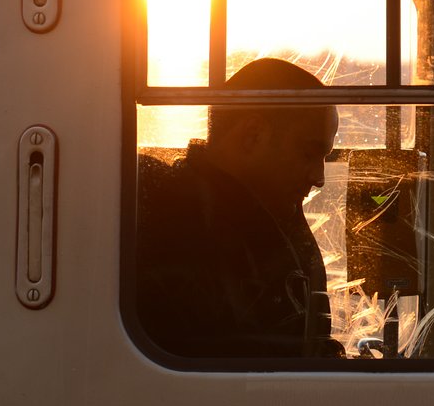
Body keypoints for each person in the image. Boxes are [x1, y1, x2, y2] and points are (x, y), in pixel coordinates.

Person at [136, 58, 344, 358]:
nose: (319, 178)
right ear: (253, 135)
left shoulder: (262, 216)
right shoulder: (182, 232)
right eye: (309, 152)